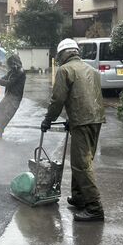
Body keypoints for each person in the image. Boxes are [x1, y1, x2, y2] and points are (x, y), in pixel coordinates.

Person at [41, 38, 106, 222]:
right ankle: (79, 198)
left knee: (82, 164)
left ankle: (94, 208)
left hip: (82, 121)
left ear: (63, 54)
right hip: (96, 119)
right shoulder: (91, 70)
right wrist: (71, 118)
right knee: (82, 159)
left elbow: (58, 99)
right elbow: (86, 96)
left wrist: (48, 120)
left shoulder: (65, 70)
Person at [0, 53, 26, 138]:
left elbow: (9, 83)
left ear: (14, 63)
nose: (9, 66)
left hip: (15, 99)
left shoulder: (20, 72)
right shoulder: (13, 71)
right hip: (9, 96)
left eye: (10, 64)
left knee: (5, 117)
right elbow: (5, 77)